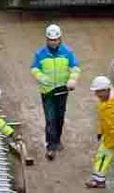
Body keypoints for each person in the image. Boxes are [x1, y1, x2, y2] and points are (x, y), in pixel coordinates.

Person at [30, 25, 80, 159]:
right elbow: (34, 68)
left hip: (62, 90)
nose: (53, 42)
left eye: (55, 39)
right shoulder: (40, 54)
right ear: (46, 40)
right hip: (47, 91)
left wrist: (72, 79)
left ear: (60, 39)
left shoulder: (67, 52)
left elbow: (75, 67)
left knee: (59, 117)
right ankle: (50, 146)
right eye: (50, 40)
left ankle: (57, 140)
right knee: (50, 118)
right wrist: (41, 77)